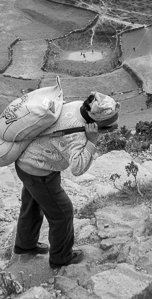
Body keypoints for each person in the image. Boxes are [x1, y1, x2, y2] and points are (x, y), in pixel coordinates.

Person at [13, 91, 119, 269]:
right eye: (106, 123)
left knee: (32, 204)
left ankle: (25, 246)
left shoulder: (79, 104)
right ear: (94, 122)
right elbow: (77, 168)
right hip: (40, 172)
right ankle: (61, 258)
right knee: (63, 213)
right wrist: (92, 141)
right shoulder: (77, 134)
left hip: (24, 161)